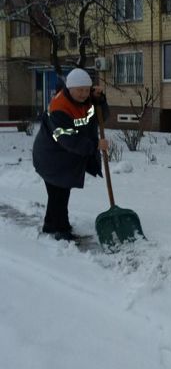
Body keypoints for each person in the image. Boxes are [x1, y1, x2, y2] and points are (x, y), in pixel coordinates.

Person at [33, 68, 109, 241]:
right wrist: (95, 145)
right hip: (50, 156)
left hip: (63, 157)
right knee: (58, 193)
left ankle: (50, 225)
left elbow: (100, 117)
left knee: (59, 192)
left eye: (86, 89)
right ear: (70, 88)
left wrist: (100, 100)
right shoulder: (59, 108)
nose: (83, 94)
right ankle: (62, 230)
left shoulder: (88, 100)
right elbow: (67, 139)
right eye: (79, 90)